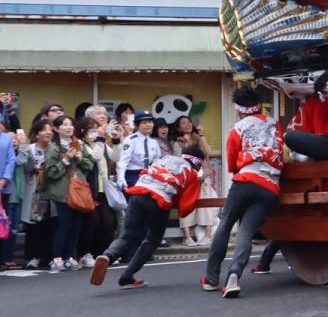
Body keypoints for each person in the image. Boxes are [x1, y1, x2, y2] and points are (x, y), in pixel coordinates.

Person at [203, 88, 284, 298]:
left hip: (246, 181)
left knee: (225, 225)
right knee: (246, 232)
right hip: (270, 186)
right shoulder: (274, 123)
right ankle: (234, 275)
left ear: (238, 109)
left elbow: (231, 163)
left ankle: (211, 278)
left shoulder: (238, 128)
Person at [90, 145, 205, 290]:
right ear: (197, 162)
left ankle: (108, 256)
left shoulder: (163, 158)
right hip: (159, 200)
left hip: (138, 193)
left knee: (128, 236)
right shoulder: (191, 173)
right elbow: (186, 205)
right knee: (153, 239)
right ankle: (127, 276)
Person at [40, 115, 94, 272]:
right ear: (56, 129)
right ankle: (57, 257)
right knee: (64, 224)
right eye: (64, 125)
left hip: (78, 189)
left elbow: (89, 165)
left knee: (76, 225)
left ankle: (70, 256)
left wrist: (80, 158)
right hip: (61, 191)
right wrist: (66, 159)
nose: (69, 127)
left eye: (71, 124)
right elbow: (50, 172)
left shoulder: (78, 144)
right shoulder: (53, 147)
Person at [75, 117, 118, 270]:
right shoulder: (79, 144)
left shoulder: (102, 144)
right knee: (91, 223)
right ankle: (84, 254)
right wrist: (100, 138)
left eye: (96, 127)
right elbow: (95, 157)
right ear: (82, 130)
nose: (94, 131)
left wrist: (117, 141)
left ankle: (103, 254)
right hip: (87, 188)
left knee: (109, 222)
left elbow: (116, 157)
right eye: (91, 128)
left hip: (104, 189)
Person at [172, 116, 216, 245]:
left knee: (205, 203)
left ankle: (208, 234)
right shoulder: (177, 142)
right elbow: (179, 160)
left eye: (189, 122)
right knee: (186, 203)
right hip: (187, 176)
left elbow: (207, 152)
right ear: (179, 128)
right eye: (183, 123)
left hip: (204, 173)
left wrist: (201, 134)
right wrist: (186, 144)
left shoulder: (198, 138)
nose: (187, 124)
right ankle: (187, 236)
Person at [16, 120, 53, 269]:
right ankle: (32, 256)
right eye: (44, 130)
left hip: (51, 191)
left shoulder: (55, 149)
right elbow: (25, 167)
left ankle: (47, 256)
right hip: (33, 190)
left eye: (50, 130)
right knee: (33, 225)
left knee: (49, 225)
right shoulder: (29, 148)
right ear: (37, 133)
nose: (48, 132)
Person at [117, 111, 161, 189]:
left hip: (148, 175)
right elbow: (123, 162)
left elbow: (157, 160)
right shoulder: (130, 140)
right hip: (133, 174)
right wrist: (121, 178)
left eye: (150, 122)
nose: (148, 125)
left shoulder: (153, 141)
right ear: (137, 125)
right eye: (144, 123)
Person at [0, 124, 16, 269]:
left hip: (3, 187)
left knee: (3, 222)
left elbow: (11, 161)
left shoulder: (5, 138)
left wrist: (4, 179)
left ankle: (4, 258)